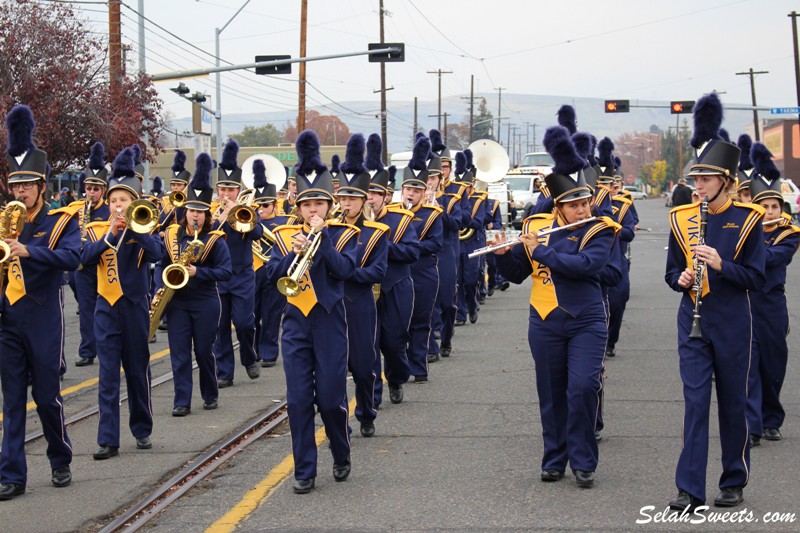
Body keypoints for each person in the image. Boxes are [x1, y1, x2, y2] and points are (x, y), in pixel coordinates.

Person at [494, 125, 617, 489]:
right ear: (558, 206)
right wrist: (504, 255)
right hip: (544, 320)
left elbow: (587, 267)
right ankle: (554, 458)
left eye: (584, 203)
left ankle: (583, 460)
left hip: (586, 320)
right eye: (573, 205)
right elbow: (518, 273)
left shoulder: (600, 229)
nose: (581, 210)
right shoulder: (535, 225)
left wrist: (541, 250)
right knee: (550, 392)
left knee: (581, 388)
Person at [664, 93, 766, 511]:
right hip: (692, 316)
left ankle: (733, 478)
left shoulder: (748, 220)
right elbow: (671, 272)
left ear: (725, 180)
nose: (697, 186)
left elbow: (756, 279)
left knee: (731, 401)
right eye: (695, 180)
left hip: (731, 317)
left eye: (705, 180)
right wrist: (682, 278)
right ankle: (689, 489)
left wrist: (722, 264)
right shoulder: (680, 218)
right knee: (694, 402)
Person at [266, 130, 359, 494]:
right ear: (298, 207)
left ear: (329, 205)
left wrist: (319, 245)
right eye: (307, 205)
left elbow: (346, 272)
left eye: (319, 204)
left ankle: (340, 451)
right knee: (299, 400)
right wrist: (293, 252)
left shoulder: (344, 234)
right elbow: (272, 275)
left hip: (330, 320)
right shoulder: (282, 236)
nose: (313, 211)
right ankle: (304, 469)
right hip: (295, 323)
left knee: (332, 398)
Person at [0, 105, 80, 500]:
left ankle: (59, 457)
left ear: (42, 186)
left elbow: (73, 258)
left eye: (27, 185)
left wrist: (29, 252)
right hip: (7, 318)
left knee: (46, 397)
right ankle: (12, 475)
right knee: (12, 402)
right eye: (15, 186)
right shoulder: (2, 220)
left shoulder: (62, 220)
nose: (19, 192)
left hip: (44, 316)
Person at [82, 147, 166, 460]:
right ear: (108, 202)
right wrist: (108, 233)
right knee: (107, 375)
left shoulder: (145, 228)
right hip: (105, 307)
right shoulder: (94, 229)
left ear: (135, 203)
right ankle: (108, 439)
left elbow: (158, 254)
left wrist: (134, 227)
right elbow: (83, 260)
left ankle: (142, 428)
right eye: (114, 200)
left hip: (133, 307)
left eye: (124, 201)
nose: (118, 205)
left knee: (136, 369)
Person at [161, 153, 231, 416]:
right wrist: (162, 285)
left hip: (205, 301)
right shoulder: (171, 235)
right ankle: (182, 401)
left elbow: (226, 271)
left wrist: (197, 272)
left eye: (200, 212)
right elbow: (161, 263)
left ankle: (210, 392)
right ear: (185, 212)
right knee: (179, 354)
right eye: (192, 211)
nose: (195, 216)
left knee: (203, 351)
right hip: (177, 302)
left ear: (206, 215)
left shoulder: (216, 239)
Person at [745, 143, 799, 447]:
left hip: (773, 304)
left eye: (774, 208)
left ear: (782, 209)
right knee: (748, 364)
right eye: (763, 207)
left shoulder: (788, 234)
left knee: (773, 364)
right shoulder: (744, 230)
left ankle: (771, 418)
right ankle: (752, 424)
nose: (769, 212)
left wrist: (750, 244)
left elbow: (770, 259)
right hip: (745, 301)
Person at [337, 134, 389, 437]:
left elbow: (377, 271)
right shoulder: (327, 229)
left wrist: (345, 272)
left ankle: (367, 411)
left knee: (362, 365)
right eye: (342, 198)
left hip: (360, 305)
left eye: (352, 199)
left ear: (363, 199)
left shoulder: (377, 232)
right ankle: (338, 420)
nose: (346, 204)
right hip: (330, 306)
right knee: (331, 368)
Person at [367, 157, 419, 407]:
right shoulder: (348, 222)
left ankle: (396, 378)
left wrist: (382, 245)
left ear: (385, 196)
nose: (369, 198)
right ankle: (373, 396)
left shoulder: (400, 220)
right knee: (369, 344)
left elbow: (412, 253)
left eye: (374, 193)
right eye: (364, 193)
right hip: (365, 289)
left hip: (395, 286)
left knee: (394, 340)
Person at [210, 139, 263, 387]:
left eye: (230, 189)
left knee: (244, 322)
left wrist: (234, 213)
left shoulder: (247, 209)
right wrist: (218, 219)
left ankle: (249, 357)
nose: (226, 194)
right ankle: (224, 372)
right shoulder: (209, 211)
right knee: (220, 326)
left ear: (238, 189)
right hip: (218, 277)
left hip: (242, 274)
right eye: (222, 189)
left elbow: (257, 234)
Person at [401, 135, 443, 383]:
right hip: (400, 275)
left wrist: (411, 245)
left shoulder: (432, 214)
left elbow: (436, 243)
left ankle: (419, 366)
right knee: (399, 323)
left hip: (424, 273)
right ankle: (402, 366)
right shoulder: (394, 215)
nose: (412, 194)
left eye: (417, 190)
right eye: (409, 189)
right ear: (402, 190)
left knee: (420, 320)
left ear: (423, 192)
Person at [251, 157, 295, 367]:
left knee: (271, 314)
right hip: (253, 271)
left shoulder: (285, 221)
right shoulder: (247, 221)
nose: (261, 209)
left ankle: (268, 352)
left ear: (274, 204)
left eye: (265, 205)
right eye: (257, 205)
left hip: (274, 269)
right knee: (253, 313)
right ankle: (255, 349)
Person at [73, 142, 111, 366]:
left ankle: (107, 345)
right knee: (86, 309)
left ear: (103, 190)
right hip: (83, 266)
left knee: (105, 307)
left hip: (105, 264)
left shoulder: (108, 210)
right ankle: (87, 350)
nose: (91, 193)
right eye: (88, 188)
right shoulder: (78, 209)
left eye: (96, 189)